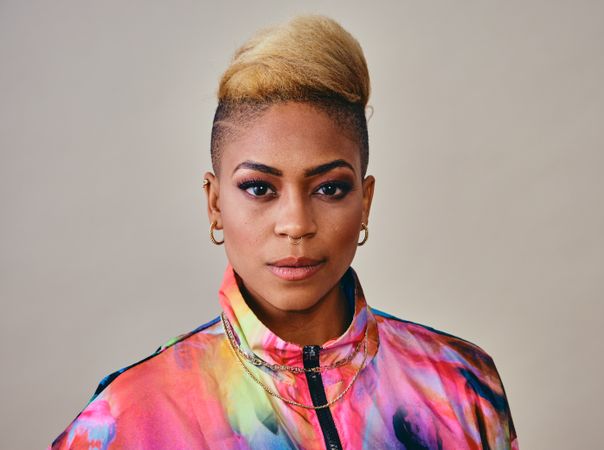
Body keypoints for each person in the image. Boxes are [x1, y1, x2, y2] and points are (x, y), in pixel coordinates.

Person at [50, 15, 518, 450]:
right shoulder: (127, 417)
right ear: (214, 203)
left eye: (330, 188)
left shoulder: (459, 384)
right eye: (259, 188)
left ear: (366, 202)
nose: (296, 223)